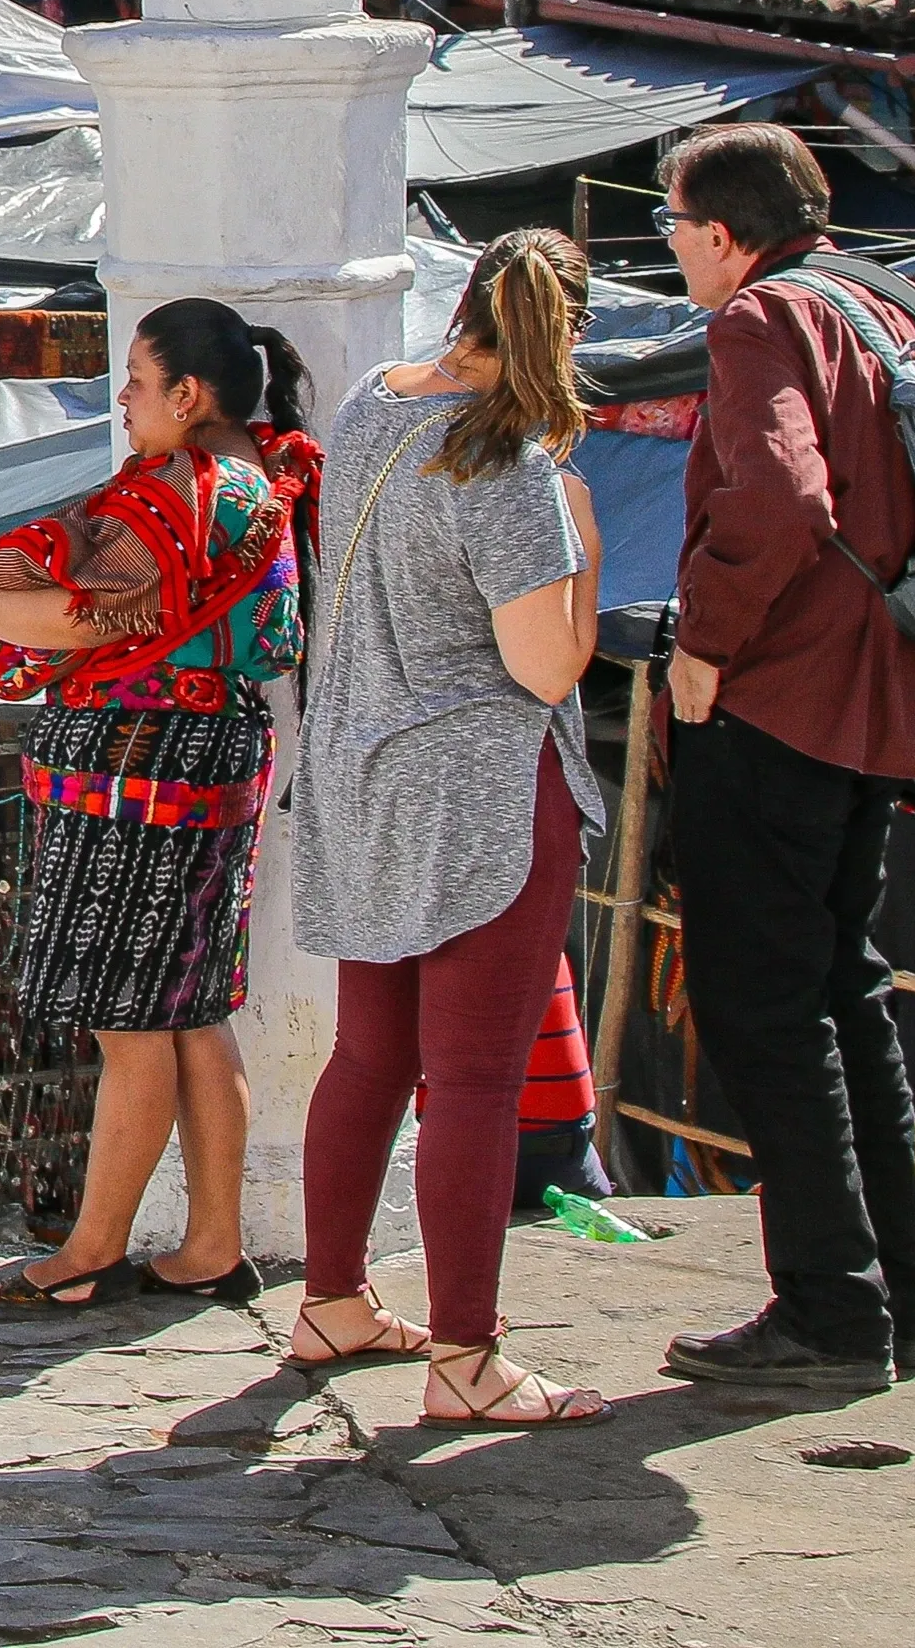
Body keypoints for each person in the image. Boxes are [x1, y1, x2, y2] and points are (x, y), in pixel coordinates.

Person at [0, 300, 320, 1309]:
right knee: (190, 1012)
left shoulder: (185, 491)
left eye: (139, 382)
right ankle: (212, 1245)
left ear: (187, 395)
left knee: (130, 1021)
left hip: (141, 772)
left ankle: (90, 1253)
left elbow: (87, 614)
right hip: (208, 754)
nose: (124, 399)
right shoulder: (256, 476)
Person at [287, 230, 613, 1426]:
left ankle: (333, 1301)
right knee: (474, 1081)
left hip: (360, 772)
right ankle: (468, 1359)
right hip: (478, 794)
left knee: (370, 1054)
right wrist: (584, 543)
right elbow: (546, 665)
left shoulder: (373, 404)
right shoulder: (508, 463)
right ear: (569, 332)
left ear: (464, 303)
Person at [659, 122, 915, 1389]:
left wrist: (704, 642)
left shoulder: (759, 319)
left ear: (724, 234)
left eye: (675, 228)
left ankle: (831, 1308)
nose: (674, 250)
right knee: (843, 993)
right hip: (885, 696)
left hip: (778, 700)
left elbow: (781, 500)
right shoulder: (894, 302)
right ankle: (906, 1297)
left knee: (764, 1007)